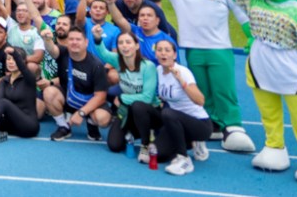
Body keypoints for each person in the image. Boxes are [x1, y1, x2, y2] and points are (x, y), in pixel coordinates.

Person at [129, 40, 212, 176]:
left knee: (168, 113)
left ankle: (184, 159)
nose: (163, 53)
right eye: (160, 50)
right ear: (156, 54)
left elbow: (200, 101)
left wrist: (181, 81)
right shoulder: (158, 71)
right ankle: (188, 142)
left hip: (199, 124)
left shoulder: (183, 72)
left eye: (167, 50)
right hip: (175, 122)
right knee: (157, 154)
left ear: (174, 55)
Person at [91, 26, 158, 155]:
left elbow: (147, 97)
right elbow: (103, 53)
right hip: (127, 109)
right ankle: (133, 132)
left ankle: (146, 143)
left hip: (149, 111)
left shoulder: (148, 66)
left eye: (128, 42)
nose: (124, 46)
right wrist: (97, 38)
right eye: (121, 43)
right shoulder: (118, 60)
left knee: (138, 106)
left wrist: (122, 98)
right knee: (114, 145)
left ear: (137, 46)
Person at [42, 26, 112, 141]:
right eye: (71, 39)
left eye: (78, 39)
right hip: (69, 98)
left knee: (103, 118)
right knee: (49, 92)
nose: (74, 42)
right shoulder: (63, 52)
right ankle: (64, 126)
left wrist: (81, 113)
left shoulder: (96, 65)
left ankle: (91, 123)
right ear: (67, 42)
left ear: (86, 42)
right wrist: (47, 39)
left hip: (90, 102)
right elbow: (51, 49)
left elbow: (100, 97)